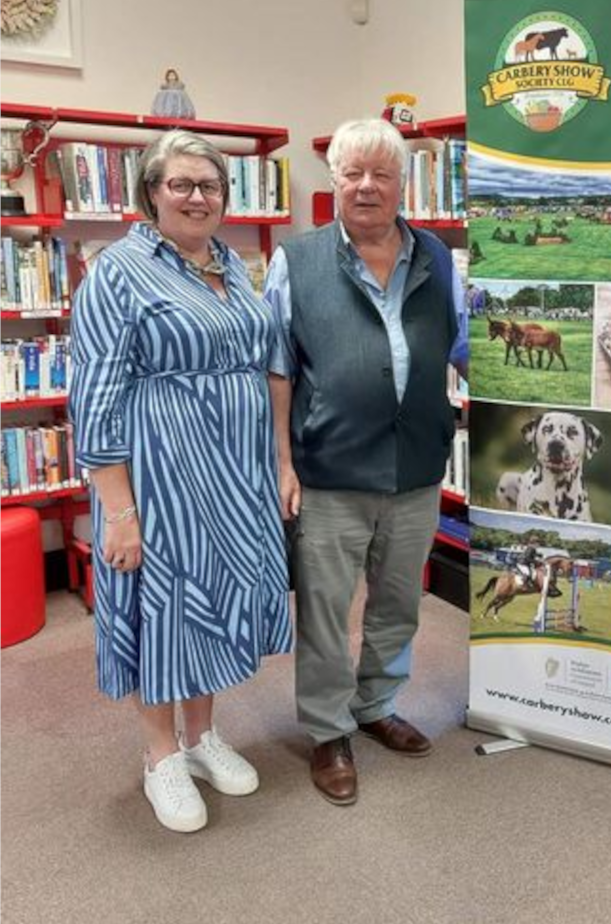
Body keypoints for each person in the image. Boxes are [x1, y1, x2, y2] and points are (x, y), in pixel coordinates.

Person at [69, 130, 292, 833]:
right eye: (182, 184)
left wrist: (277, 462)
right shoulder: (119, 272)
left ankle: (201, 737)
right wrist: (119, 512)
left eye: (211, 186)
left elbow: (264, 367)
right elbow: (95, 397)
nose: (199, 197)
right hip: (160, 474)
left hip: (236, 473)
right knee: (164, 606)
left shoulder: (234, 263)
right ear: (151, 193)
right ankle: (160, 754)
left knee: (217, 599)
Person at [265, 118, 469, 808]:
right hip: (330, 469)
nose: (367, 186)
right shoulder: (296, 261)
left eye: (382, 173)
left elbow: (460, 347)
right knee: (324, 610)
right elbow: (278, 372)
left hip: (415, 468)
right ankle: (328, 729)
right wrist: (283, 463)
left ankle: (376, 704)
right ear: (334, 182)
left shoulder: (436, 257)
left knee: (398, 603)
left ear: (402, 184)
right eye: (352, 173)